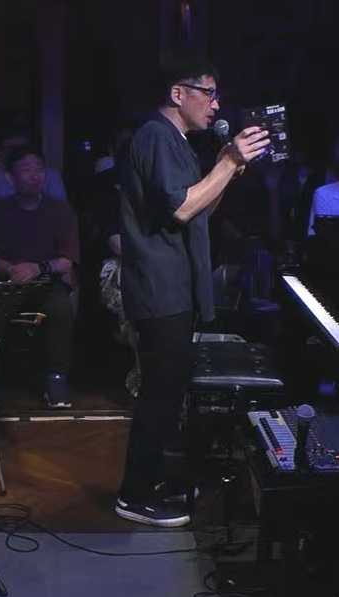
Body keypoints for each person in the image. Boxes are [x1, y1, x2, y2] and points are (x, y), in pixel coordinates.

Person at [114, 60, 270, 527]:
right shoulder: (155, 136)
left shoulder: (178, 141)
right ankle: (133, 495)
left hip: (176, 286)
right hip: (159, 287)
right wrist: (228, 162)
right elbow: (181, 209)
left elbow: (200, 207)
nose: (217, 104)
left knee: (170, 389)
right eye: (209, 93)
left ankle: (153, 480)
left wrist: (228, 170)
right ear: (178, 94)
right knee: (159, 393)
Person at [0, 146, 80, 408]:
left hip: (45, 282)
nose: (34, 175)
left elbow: (66, 260)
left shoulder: (60, 210)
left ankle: (56, 379)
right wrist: (12, 269)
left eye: (38, 169)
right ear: (10, 177)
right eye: (26, 169)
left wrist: (37, 268)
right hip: (7, 283)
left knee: (61, 308)